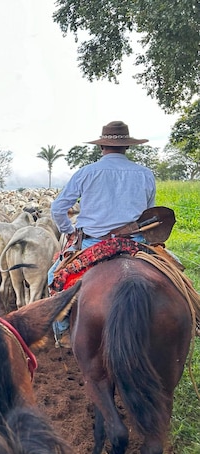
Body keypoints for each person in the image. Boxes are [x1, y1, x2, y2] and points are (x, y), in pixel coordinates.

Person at [48, 120, 156, 347]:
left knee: (54, 277)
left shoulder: (87, 172)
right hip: (134, 243)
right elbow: (149, 213)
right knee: (175, 270)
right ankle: (194, 316)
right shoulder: (145, 174)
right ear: (127, 147)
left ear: (101, 146)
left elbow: (57, 209)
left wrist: (69, 232)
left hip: (93, 244)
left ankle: (64, 330)